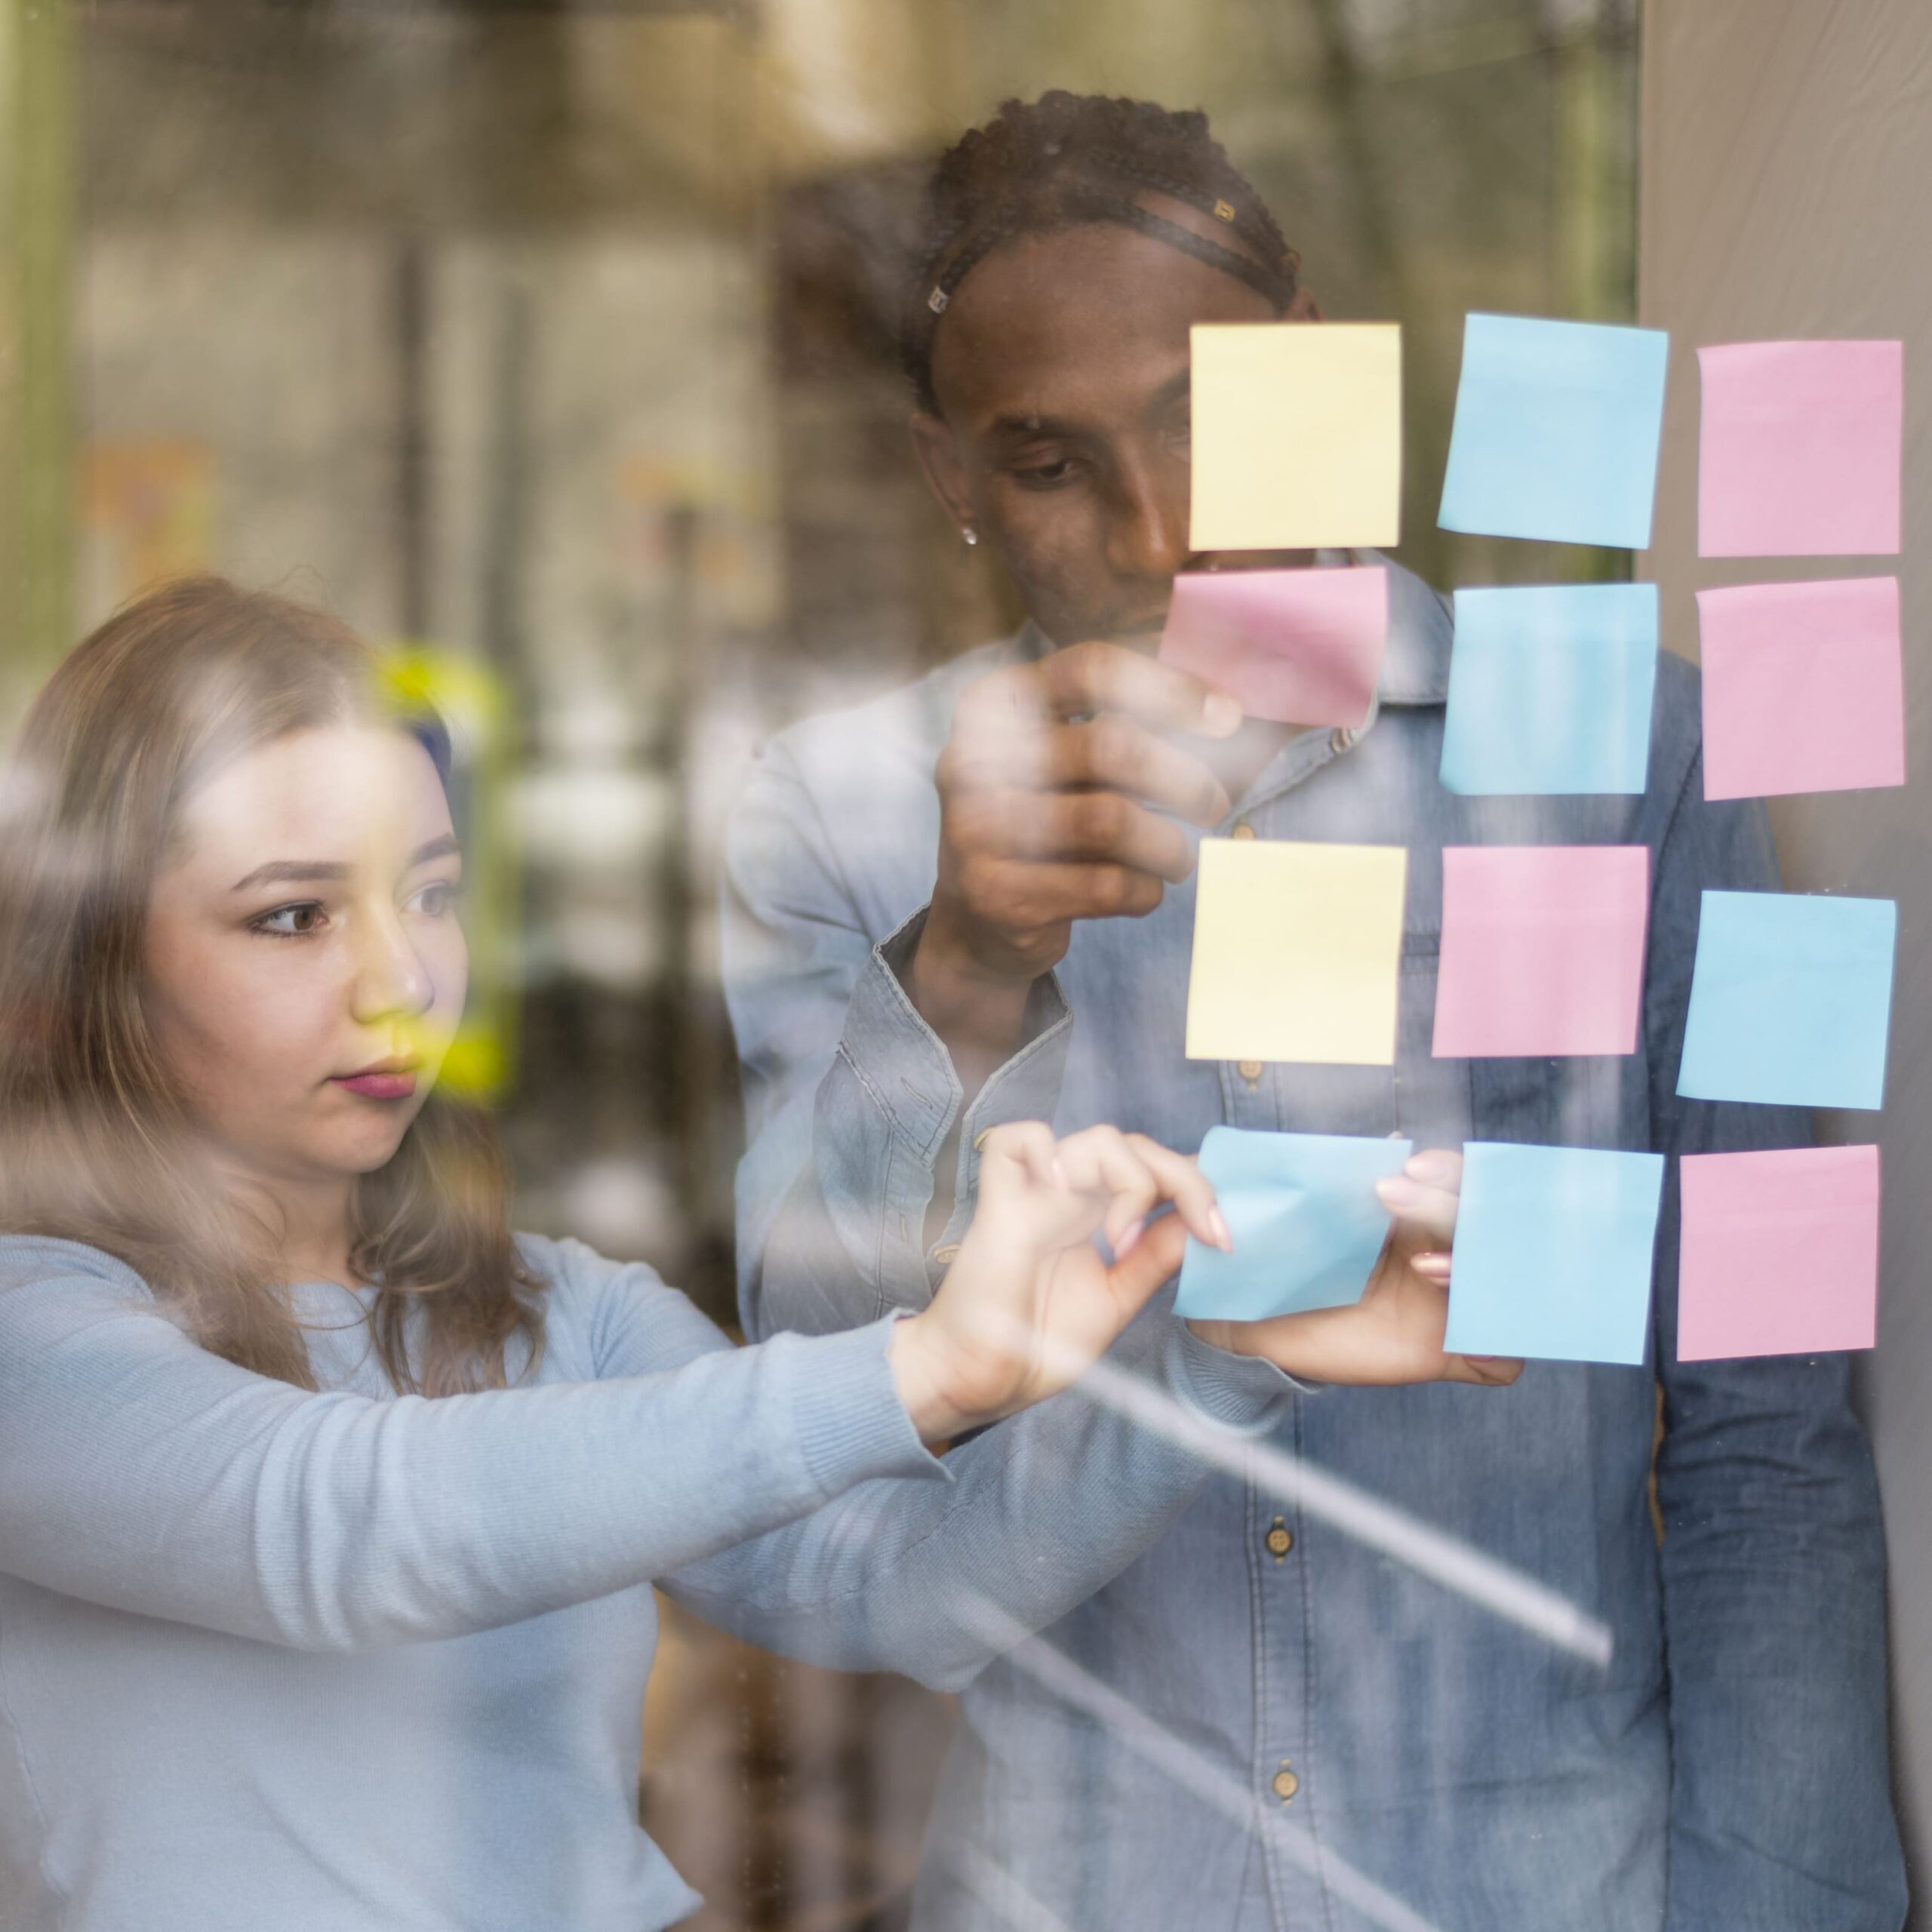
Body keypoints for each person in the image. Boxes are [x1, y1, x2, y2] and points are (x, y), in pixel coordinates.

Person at [723, 91, 1905, 1932]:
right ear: (951, 480)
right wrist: (959, 965)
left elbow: (1770, 1415)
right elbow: (809, 1401)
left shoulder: (1642, 750)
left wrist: (1785, 1909)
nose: (1159, 528)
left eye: (1203, 412)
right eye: (1047, 462)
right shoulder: (842, 810)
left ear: (1317, 368)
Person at [0, 577, 1505, 1932]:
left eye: (432, 894)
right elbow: (345, 1528)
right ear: (94, 959)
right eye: (291, 916)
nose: (401, 981)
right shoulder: (33, 1335)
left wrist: (1208, 1366)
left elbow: (892, 1588)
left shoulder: (558, 1309)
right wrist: (923, 1367)